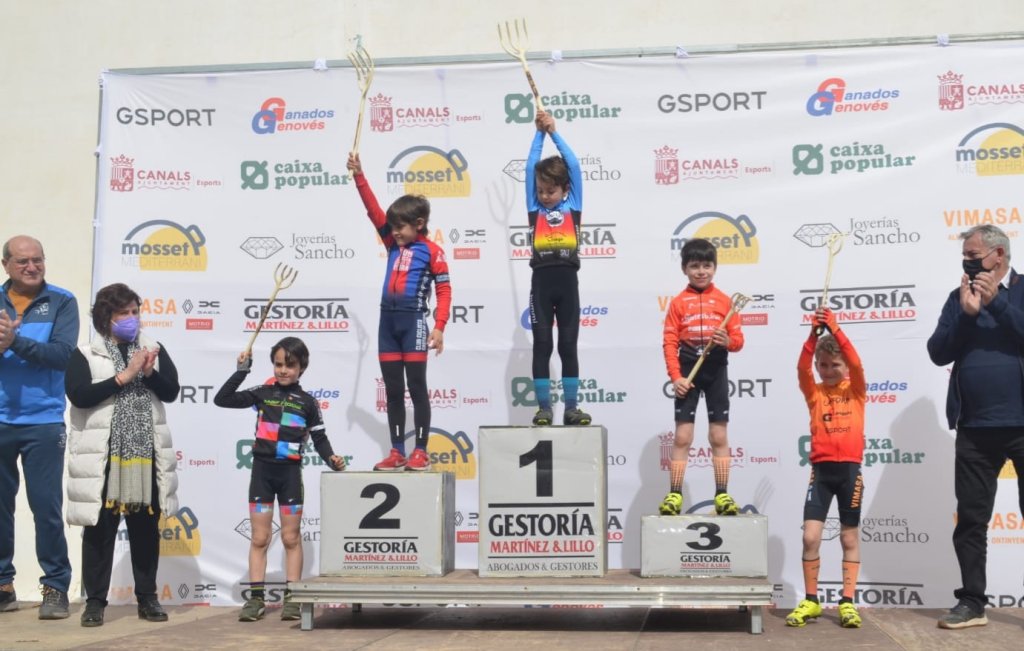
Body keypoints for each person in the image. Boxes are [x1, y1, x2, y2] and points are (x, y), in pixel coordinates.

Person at [927, 223, 1024, 630]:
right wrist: (967, 317)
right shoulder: (958, 298)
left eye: (973, 255)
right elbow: (937, 352)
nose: (966, 262)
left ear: (998, 255)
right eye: (964, 256)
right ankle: (971, 603)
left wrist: (996, 304)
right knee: (970, 519)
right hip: (974, 428)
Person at [64, 283, 179, 627]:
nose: (131, 318)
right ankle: (95, 602)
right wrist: (123, 377)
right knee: (99, 533)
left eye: (134, 312)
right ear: (106, 317)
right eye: (122, 313)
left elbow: (171, 391)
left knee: (145, 530)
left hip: (146, 458)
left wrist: (148, 374)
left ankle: (148, 598)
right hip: (104, 459)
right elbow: (79, 395)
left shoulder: (153, 348)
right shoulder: (86, 354)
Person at [214, 337, 345, 622]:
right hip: (262, 473)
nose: (283, 370)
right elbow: (222, 399)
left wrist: (332, 459)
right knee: (260, 538)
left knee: (290, 538)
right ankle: (256, 600)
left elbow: (320, 438)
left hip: (289, 475)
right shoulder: (262, 393)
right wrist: (241, 371)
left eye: (290, 365)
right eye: (278, 364)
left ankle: (293, 598)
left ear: (302, 368)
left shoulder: (308, 402)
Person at [346, 152, 451, 471]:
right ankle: (396, 451)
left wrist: (439, 326)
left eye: (400, 227)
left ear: (419, 224)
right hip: (388, 324)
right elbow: (372, 210)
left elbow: (444, 291)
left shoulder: (432, 252)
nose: (393, 232)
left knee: (416, 387)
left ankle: (421, 450)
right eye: (391, 227)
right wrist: (359, 175)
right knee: (392, 390)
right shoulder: (393, 244)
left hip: (414, 323)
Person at [0, 235, 78, 619]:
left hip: (43, 422)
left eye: (38, 260)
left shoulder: (62, 301)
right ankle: (3, 585)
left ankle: (55, 586)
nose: (32, 267)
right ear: (6, 265)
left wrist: (14, 342)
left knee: (46, 507)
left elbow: (62, 355)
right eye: (22, 261)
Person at [785, 307, 865, 629]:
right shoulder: (814, 393)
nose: (828, 370)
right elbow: (801, 367)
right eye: (823, 365)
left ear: (844, 367)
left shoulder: (856, 390)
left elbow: (856, 362)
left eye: (835, 365)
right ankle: (811, 600)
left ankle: (847, 603)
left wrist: (836, 328)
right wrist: (813, 335)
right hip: (821, 473)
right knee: (810, 537)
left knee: (848, 538)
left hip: (849, 473)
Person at [660, 238, 744, 516]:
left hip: (716, 369)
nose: (701, 272)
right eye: (694, 266)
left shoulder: (725, 301)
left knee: (718, 435)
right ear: (684, 268)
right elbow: (669, 342)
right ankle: (675, 494)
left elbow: (738, 340)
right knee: (683, 436)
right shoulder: (677, 303)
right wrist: (676, 377)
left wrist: (727, 341)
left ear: (715, 268)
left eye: (707, 266)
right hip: (688, 372)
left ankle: (722, 495)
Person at [525, 109, 591, 427]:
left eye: (550, 191)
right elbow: (530, 168)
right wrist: (538, 134)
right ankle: (544, 409)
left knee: (567, 346)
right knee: (542, 346)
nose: (544, 196)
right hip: (541, 282)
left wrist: (553, 132)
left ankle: (571, 408)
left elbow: (574, 166)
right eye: (540, 190)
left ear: (565, 189)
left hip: (567, 283)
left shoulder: (573, 205)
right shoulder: (534, 208)